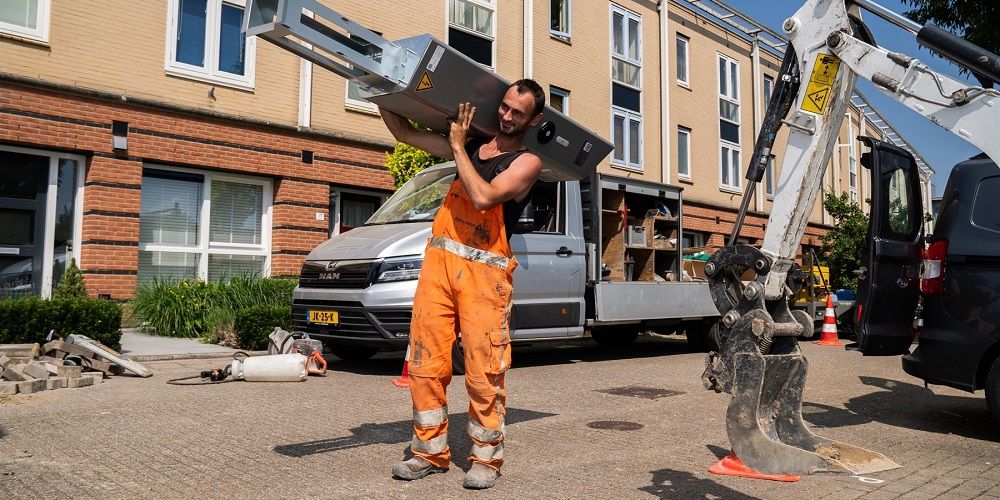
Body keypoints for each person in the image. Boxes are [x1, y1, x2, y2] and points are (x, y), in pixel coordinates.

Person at [379, 79, 545, 490]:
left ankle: (487, 459)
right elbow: (403, 133)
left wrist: (456, 146)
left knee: (483, 372)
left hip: (484, 281)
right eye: (504, 107)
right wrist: (380, 88)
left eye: (517, 113)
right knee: (423, 365)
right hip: (438, 271)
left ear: (534, 119)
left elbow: (484, 196)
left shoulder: (527, 163)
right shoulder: (473, 145)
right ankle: (429, 453)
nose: (506, 116)